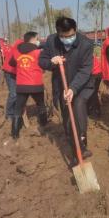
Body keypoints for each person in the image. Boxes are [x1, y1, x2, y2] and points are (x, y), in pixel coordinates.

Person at [39, 17, 94, 158]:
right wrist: (51, 62)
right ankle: (77, 150)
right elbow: (42, 61)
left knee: (78, 108)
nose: (67, 39)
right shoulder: (52, 41)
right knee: (68, 119)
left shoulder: (86, 44)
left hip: (81, 85)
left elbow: (85, 70)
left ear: (75, 30)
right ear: (58, 33)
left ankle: (82, 140)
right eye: (63, 36)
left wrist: (73, 88)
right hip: (61, 85)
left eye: (70, 35)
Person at [9, 32, 47, 139]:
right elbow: (44, 63)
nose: (38, 40)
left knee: (18, 109)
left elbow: (12, 63)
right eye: (37, 38)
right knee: (41, 105)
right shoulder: (38, 52)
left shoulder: (17, 52)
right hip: (36, 84)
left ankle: (15, 134)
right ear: (33, 39)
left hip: (22, 85)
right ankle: (44, 125)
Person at [2, 40, 21, 121]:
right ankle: (9, 113)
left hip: (16, 73)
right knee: (13, 93)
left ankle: (16, 109)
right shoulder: (16, 51)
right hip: (9, 72)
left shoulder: (20, 48)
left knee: (18, 93)